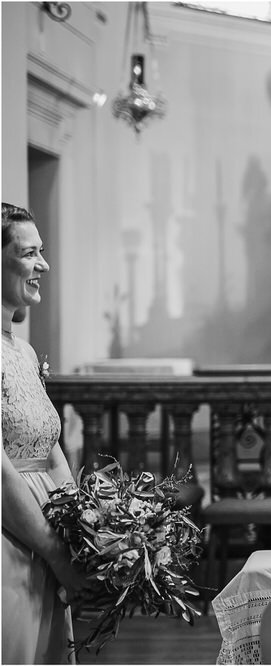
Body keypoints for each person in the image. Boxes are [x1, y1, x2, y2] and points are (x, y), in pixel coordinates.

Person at [2, 203, 89, 663]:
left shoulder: (24, 350)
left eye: (43, 251)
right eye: (29, 253)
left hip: (49, 535)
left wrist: (84, 529)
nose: (43, 265)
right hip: (11, 542)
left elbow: (50, 448)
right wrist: (55, 554)